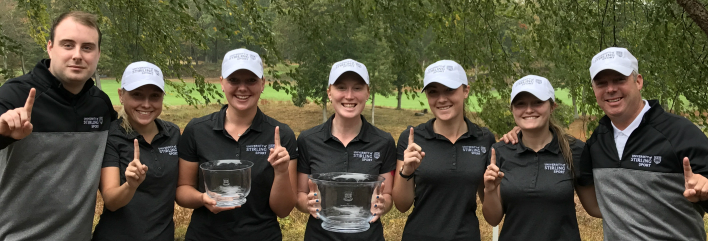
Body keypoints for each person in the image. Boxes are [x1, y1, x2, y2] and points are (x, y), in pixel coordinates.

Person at [502, 47, 708, 240]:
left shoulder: (680, 132)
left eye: (619, 79)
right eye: (601, 83)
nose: (610, 89)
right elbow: (595, 207)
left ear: (638, 81)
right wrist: (524, 130)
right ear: (593, 89)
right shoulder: (596, 143)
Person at [0, 11, 117, 240]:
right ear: (50, 47)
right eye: (68, 45)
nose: (77, 55)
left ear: (98, 53)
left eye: (87, 47)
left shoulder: (100, 105)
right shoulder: (14, 94)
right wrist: (4, 131)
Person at [175, 48, 297, 240]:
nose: (242, 88)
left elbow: (283, 210)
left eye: (251, 80)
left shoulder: (282, 135)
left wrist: (281, 172)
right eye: (234, 80)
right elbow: (182, 190)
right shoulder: (197, 130)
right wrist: (202, 198)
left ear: (263, 83)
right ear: (222, 82)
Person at [481, 75, 601, 241]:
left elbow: (595, 207)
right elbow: (492, 219)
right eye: (520, 104)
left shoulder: (576, 150)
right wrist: (490, 190)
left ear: (552, 106)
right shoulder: (499, 151)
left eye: (537, 102)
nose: (529, 109)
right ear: (512, 109)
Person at [392, 60, 496, 241]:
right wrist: (406, 171)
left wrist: (492, 190)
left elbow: (492, 215)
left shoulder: (484, 139)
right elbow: (402, 205)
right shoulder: (412, 138)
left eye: (449, 90)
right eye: (433, 92)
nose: (441, 99)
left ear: (465, 91)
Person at [296, 59, 396, 241]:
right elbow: (300, 195)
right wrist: (307, 203)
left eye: (357, 88)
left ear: (367, 93)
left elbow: (387, 195)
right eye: (341, 87)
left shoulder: (384, 141)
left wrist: (383, 204)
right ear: (329, 93)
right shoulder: (308, 140)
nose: (349, 96)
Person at [92, 62, 180, 241]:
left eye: (154, 96)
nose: (146, 104)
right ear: (121, 95)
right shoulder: (111, 136)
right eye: (137, 95)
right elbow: (111, 201)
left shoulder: (173, 134)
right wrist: (130, 185)